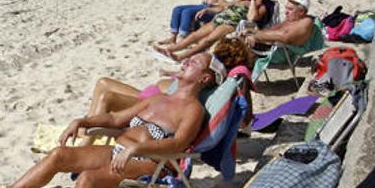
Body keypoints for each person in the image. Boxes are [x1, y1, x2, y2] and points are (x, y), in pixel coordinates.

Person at [0, 51, 224, 188]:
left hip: (152, 162)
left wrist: (137, 146)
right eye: (189, 58)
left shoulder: (193, 110)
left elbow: (178, 145)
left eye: (196, 61)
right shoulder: (158, 98)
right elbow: (115, 120)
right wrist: (82, 121)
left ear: (205, 78)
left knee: (89, 179)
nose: (188, 60)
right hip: (120, 150)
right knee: (59, 155)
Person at [84, 37, 255, 144]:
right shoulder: (195, 74)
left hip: (149, 107)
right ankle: (86, 135)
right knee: (103, 82)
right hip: (149, 99)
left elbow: (245, 123)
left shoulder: (206, 79)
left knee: (107, 96)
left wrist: (241, 83)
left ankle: (86, 140)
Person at [157, 0, 276, 61]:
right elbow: (225, 7)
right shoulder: (247, 0)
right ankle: (171, 49)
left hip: (231, 23)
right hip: (222, 17)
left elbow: (251, 18)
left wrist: (255, 1)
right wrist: (209, 10)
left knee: (208, 40)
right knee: (194, 35)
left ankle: (181, 56)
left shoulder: (262, 7)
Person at [156, 0, 252, 46]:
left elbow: (230, 6)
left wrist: (219, 1)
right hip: (208, 5)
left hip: (216, 10)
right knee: (177, 9)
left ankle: (183, 37)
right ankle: (172, 37)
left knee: (187, 12)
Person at [243, 0, 314, 49]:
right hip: (270, 44)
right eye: (286, 8)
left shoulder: (306, 21)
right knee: (244, 25)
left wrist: (255, 34)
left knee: (241, 42)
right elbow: (272, 30)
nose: (286, 12)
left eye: (290, 9)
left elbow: (285, 37)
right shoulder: (290, 20)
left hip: (282, 52)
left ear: (301, 11)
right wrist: (253, 34)